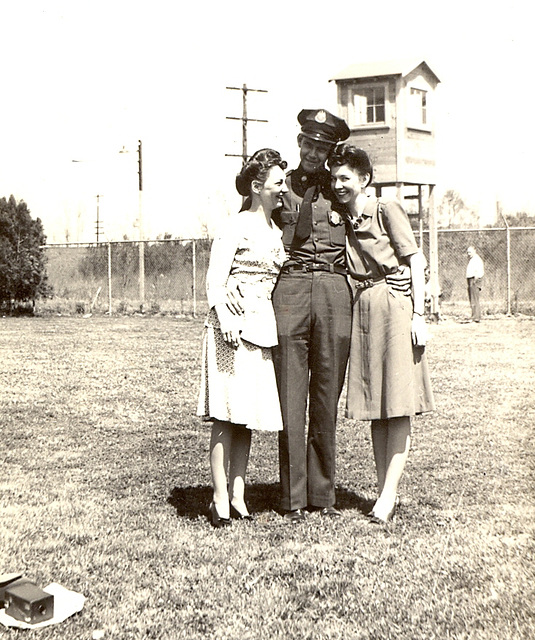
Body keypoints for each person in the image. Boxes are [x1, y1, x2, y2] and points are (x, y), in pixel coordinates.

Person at [329, 143, 435, 524]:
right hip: (364, 308)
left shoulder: (386, 208)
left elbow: (416, 260)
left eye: (345, 177)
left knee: (398, 402)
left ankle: (388, 495)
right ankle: (381, 491)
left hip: (394, 305)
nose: (338, 184)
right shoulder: (340, 215)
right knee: (377, 406)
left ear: (364, 179)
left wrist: (419, 315)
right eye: (334, 177)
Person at [197, 148, 288, 527]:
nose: (284, 189)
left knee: (245, 416)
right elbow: (214, 281)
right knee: (225, 413)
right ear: (256, 187)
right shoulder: (235, 226)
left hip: (261, 328)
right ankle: (219, 498)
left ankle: (238, 494)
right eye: (278, 183)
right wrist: (225, 315)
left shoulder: (277, 230)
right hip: (230, 329)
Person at [466, 245, 484, 322]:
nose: (468, 254)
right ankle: (475, 316)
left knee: (474, 299)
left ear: (474, 251)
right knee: (472, 299)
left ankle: (476, 317)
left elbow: (479, 271)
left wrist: (475, 280)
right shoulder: (472, 259)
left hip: (474, 279)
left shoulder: (477, 259)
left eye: (470, 252)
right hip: (471, 279)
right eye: (467, 252)